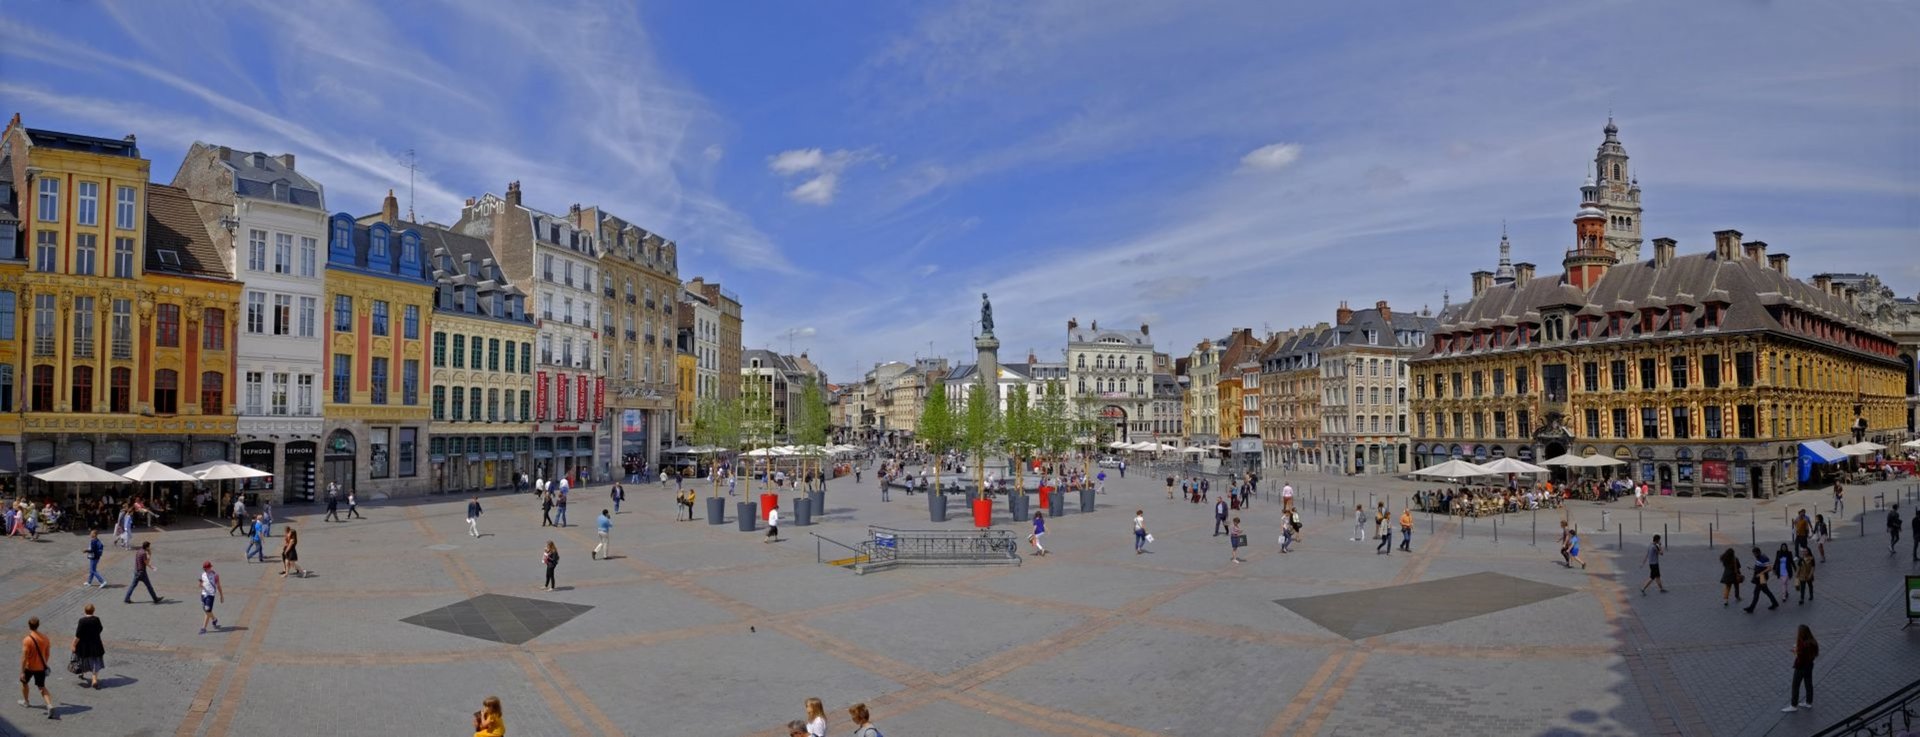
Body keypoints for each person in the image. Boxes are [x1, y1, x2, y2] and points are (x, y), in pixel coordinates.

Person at [19, 616, 54, 719]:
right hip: (41, 667)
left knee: (24, 683)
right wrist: (44, 663)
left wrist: (22, 671)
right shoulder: (45, 638)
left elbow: (24, 657)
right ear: (38, 625)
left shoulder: (27, 640)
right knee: (41, 687)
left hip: (29, 667)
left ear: (29, 625)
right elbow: (47, 654)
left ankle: (26, 702)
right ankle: (49, 705)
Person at [1783, 625, 1818, 712]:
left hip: (1801, 667)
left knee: (1795, 685)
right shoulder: (1813, 642)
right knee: (1808, 683)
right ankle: (1809, 702)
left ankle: (1793, 705)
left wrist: (1795, 652)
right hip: (1810, 665)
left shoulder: (1802, 645)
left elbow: (1800, 658)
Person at [73, 604, 104, 690]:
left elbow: (78, 635)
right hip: (95, 644)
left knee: (83, 659)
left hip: (84, 645)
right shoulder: (96, 620)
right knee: (95, 661)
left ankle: (82, 673)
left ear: (85, 611)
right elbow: (100, 629)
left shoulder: (82, 621)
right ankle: (94, 679)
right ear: (93, 611)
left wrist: (73, 644)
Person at [1744, 546, 1779, 613]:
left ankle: (1751, 608)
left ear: (1758, 552)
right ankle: (1775, 603)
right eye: (1753, 554)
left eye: (1755, 554)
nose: (1754, 555)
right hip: (1758, 578)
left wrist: (1760, 573)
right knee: (1766, 591)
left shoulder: (1764, 558)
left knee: (1756, 593)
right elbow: (1759, 566)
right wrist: (1753, 568)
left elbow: (1769, 568)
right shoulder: (1758, 558)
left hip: (1762, 578)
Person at [198, 561, 224, 633]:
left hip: (211, 595)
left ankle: (204, 628)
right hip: (203, 594)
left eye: (210, 567)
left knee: (207, 610)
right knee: (206, 610)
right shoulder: (203, 574)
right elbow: (201, 584)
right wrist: (200, 585)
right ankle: (214, 619)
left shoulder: (215, 575)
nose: (209, 569)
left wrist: (221, 596)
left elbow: (218, 586)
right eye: (207, 568)